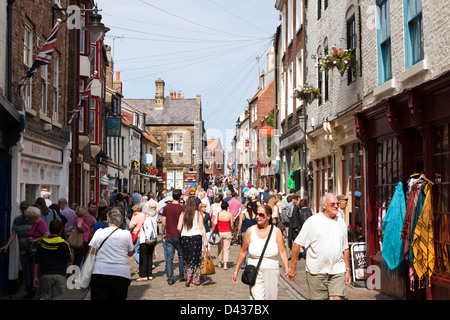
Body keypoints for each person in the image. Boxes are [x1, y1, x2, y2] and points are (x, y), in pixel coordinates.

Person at [286, 193, 351, 300]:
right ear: (324, 205)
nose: (336, 206)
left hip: (337, 269)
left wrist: (347, 270)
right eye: (333, 204)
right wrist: (293, 267)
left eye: (337, 204)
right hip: (316, 271)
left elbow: (345, 249)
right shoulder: (313, 221)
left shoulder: (341, 222)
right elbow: (297, 243)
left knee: (336, 297)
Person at [231, 204, 290, 300]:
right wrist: (235, 271)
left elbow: (282, 251)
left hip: (272, 270)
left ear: (269, 216)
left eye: (261, 214)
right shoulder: (250, 231)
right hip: (254, 269)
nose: (258, 217)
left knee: (271, 298)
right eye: (257, 214)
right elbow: (243, 251)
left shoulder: (276, 231)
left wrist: (287, 269)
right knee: (257, 298)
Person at [89, 208, 135, 300]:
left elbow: (91, 252)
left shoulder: (99, 232)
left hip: (100, 272)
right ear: (121, 221)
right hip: (121, 274)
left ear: (107, 219)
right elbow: (131, 252)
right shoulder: (126, 234)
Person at [0, 201, 34, 298]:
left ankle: (33, 290)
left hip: (33, 251)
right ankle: (29, 290)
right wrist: (6, 245)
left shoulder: (33, 220)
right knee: (25, 270)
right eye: (22, 208)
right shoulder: (17, 220)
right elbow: (13, 234)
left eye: (25, 208)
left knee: (32, 270)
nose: (23, 210)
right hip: (22, 250)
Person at [33, 219, 72, 300]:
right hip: (60, 275)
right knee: (57, 297)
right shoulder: (64, 244)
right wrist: (71, 276)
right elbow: (68, 262)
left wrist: (35, 277)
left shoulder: (42, 243)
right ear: (61, 231)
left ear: (50, 229)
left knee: (44, 296)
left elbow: (36, 261)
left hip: (45, 275)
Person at [177, 197, 209, 287]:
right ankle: (194, 279)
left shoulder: (183, 214)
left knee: (187, 259)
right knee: (195, 259)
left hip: (185, 238)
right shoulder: (198, 214)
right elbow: (202, 227)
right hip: (196, 238)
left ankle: (187, 277)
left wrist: (184, 231)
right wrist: (205, 240)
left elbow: (179, 227)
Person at [26, 206, 49, 300]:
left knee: (37, 273)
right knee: (34, 273)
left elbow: (47, 235)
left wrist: (35, 240)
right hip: (33, 253)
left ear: (33, 216)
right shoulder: (36, 223)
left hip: (38, 252)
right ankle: (36, 293)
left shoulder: (41, 223)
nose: (29, 219)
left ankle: (37, 294)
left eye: (30, 217)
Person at [162, 189, 185, 285]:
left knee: (169, 258)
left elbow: (163, 222)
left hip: (169, 235)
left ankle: (170, 279)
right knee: (181, 256)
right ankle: (181, 276)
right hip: (179, 235)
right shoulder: (182, 209)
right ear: (180, 197)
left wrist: (163, 233)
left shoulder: (166, 207)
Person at [137, 204, 158, 281]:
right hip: (153, 240)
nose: (144, 215)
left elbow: (150, 229)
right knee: (149, 257)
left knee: (144, 258)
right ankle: (149, 274)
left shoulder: (148, 219)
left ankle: (143, 275)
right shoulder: (153, 220)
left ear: (148, 214)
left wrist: (147, 238)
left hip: (145, 241)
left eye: (145, 213)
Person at [214, 201, 234, 270]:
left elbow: (214, 222)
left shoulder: (218, 214)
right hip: (227, 232)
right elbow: (231, 225)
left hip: (220, 232)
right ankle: (225, 264)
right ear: (227, 207)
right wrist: (233, 231)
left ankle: (220, 262)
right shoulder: (229, 214)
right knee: (226, 248)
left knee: (220, 248)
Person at [236, 202, 257, 268]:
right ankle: (250, 263)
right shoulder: (255, 215)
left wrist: (238, 233)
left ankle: (243, 264)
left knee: (243, 249)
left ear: (246, 208)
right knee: (251, 248)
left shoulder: (243, 215)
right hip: (253, 233)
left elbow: (240, 225)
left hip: (244, 233)